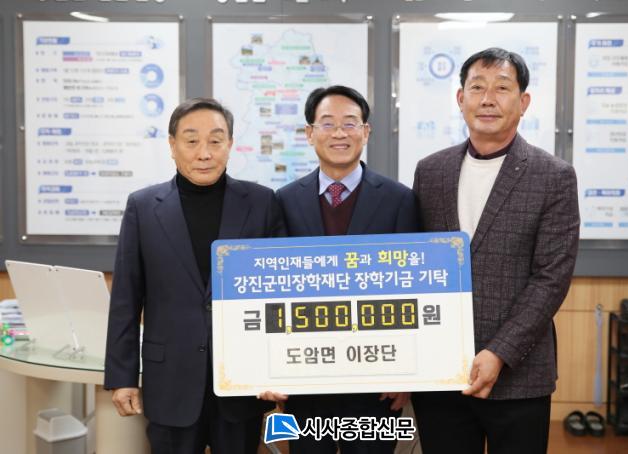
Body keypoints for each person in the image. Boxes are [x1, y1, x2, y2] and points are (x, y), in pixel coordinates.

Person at [411, 48, 580, 454]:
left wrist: (499, 352)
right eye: (477, 88)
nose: (488, 99)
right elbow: (415, 265)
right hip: (442, 372)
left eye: (502, 88)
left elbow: (551, 278)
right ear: (461, 98)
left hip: (519, 375)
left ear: (523, 101)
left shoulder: (554, 176)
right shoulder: (430, 171)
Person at [104, 97, 285, 453]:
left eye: (215, 141)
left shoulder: (262, 202)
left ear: (230, 144)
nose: (204, 153)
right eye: (191, 141)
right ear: (172, 145)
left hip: (241, 382)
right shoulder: (143, 207)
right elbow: (126, 298)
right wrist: (122, 377)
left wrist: (275, 369)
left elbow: (280, 296)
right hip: (169, 380)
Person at [262, 85, 419, 453]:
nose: (339, 133)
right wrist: (273, 368)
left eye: (350, 124)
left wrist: (408, 374)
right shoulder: (284, 201)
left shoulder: (399, 199)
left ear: (366, 132)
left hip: (378, 381)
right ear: (309, 133)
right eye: (327, 124)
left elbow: (413, 289)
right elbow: (274, 290)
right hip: (305, 378)